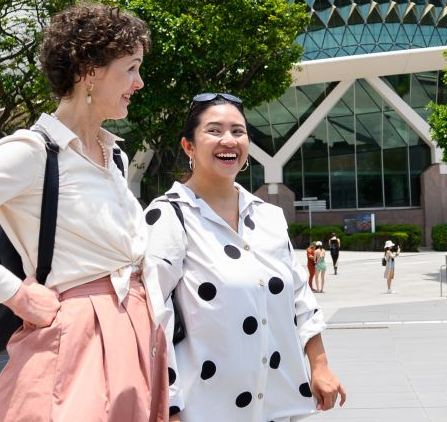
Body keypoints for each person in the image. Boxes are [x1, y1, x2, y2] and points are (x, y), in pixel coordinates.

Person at [0, 2, 167, 421]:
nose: (139, 82)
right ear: (89, 70)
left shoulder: (113, 154)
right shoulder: (32, 150)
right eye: (131, 67)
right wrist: (17, 295)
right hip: (78, 334)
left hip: (134, 328)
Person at [144, 92, 347, 421]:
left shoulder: (268, 216)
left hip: (277, 407)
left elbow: (299, 295)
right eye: (214, 130)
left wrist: (320, 365)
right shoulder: (169, 216)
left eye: (238, 131)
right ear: (188, 147)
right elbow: (153, 318)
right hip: (205, 409)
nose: (229, 140)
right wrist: (170, 408)